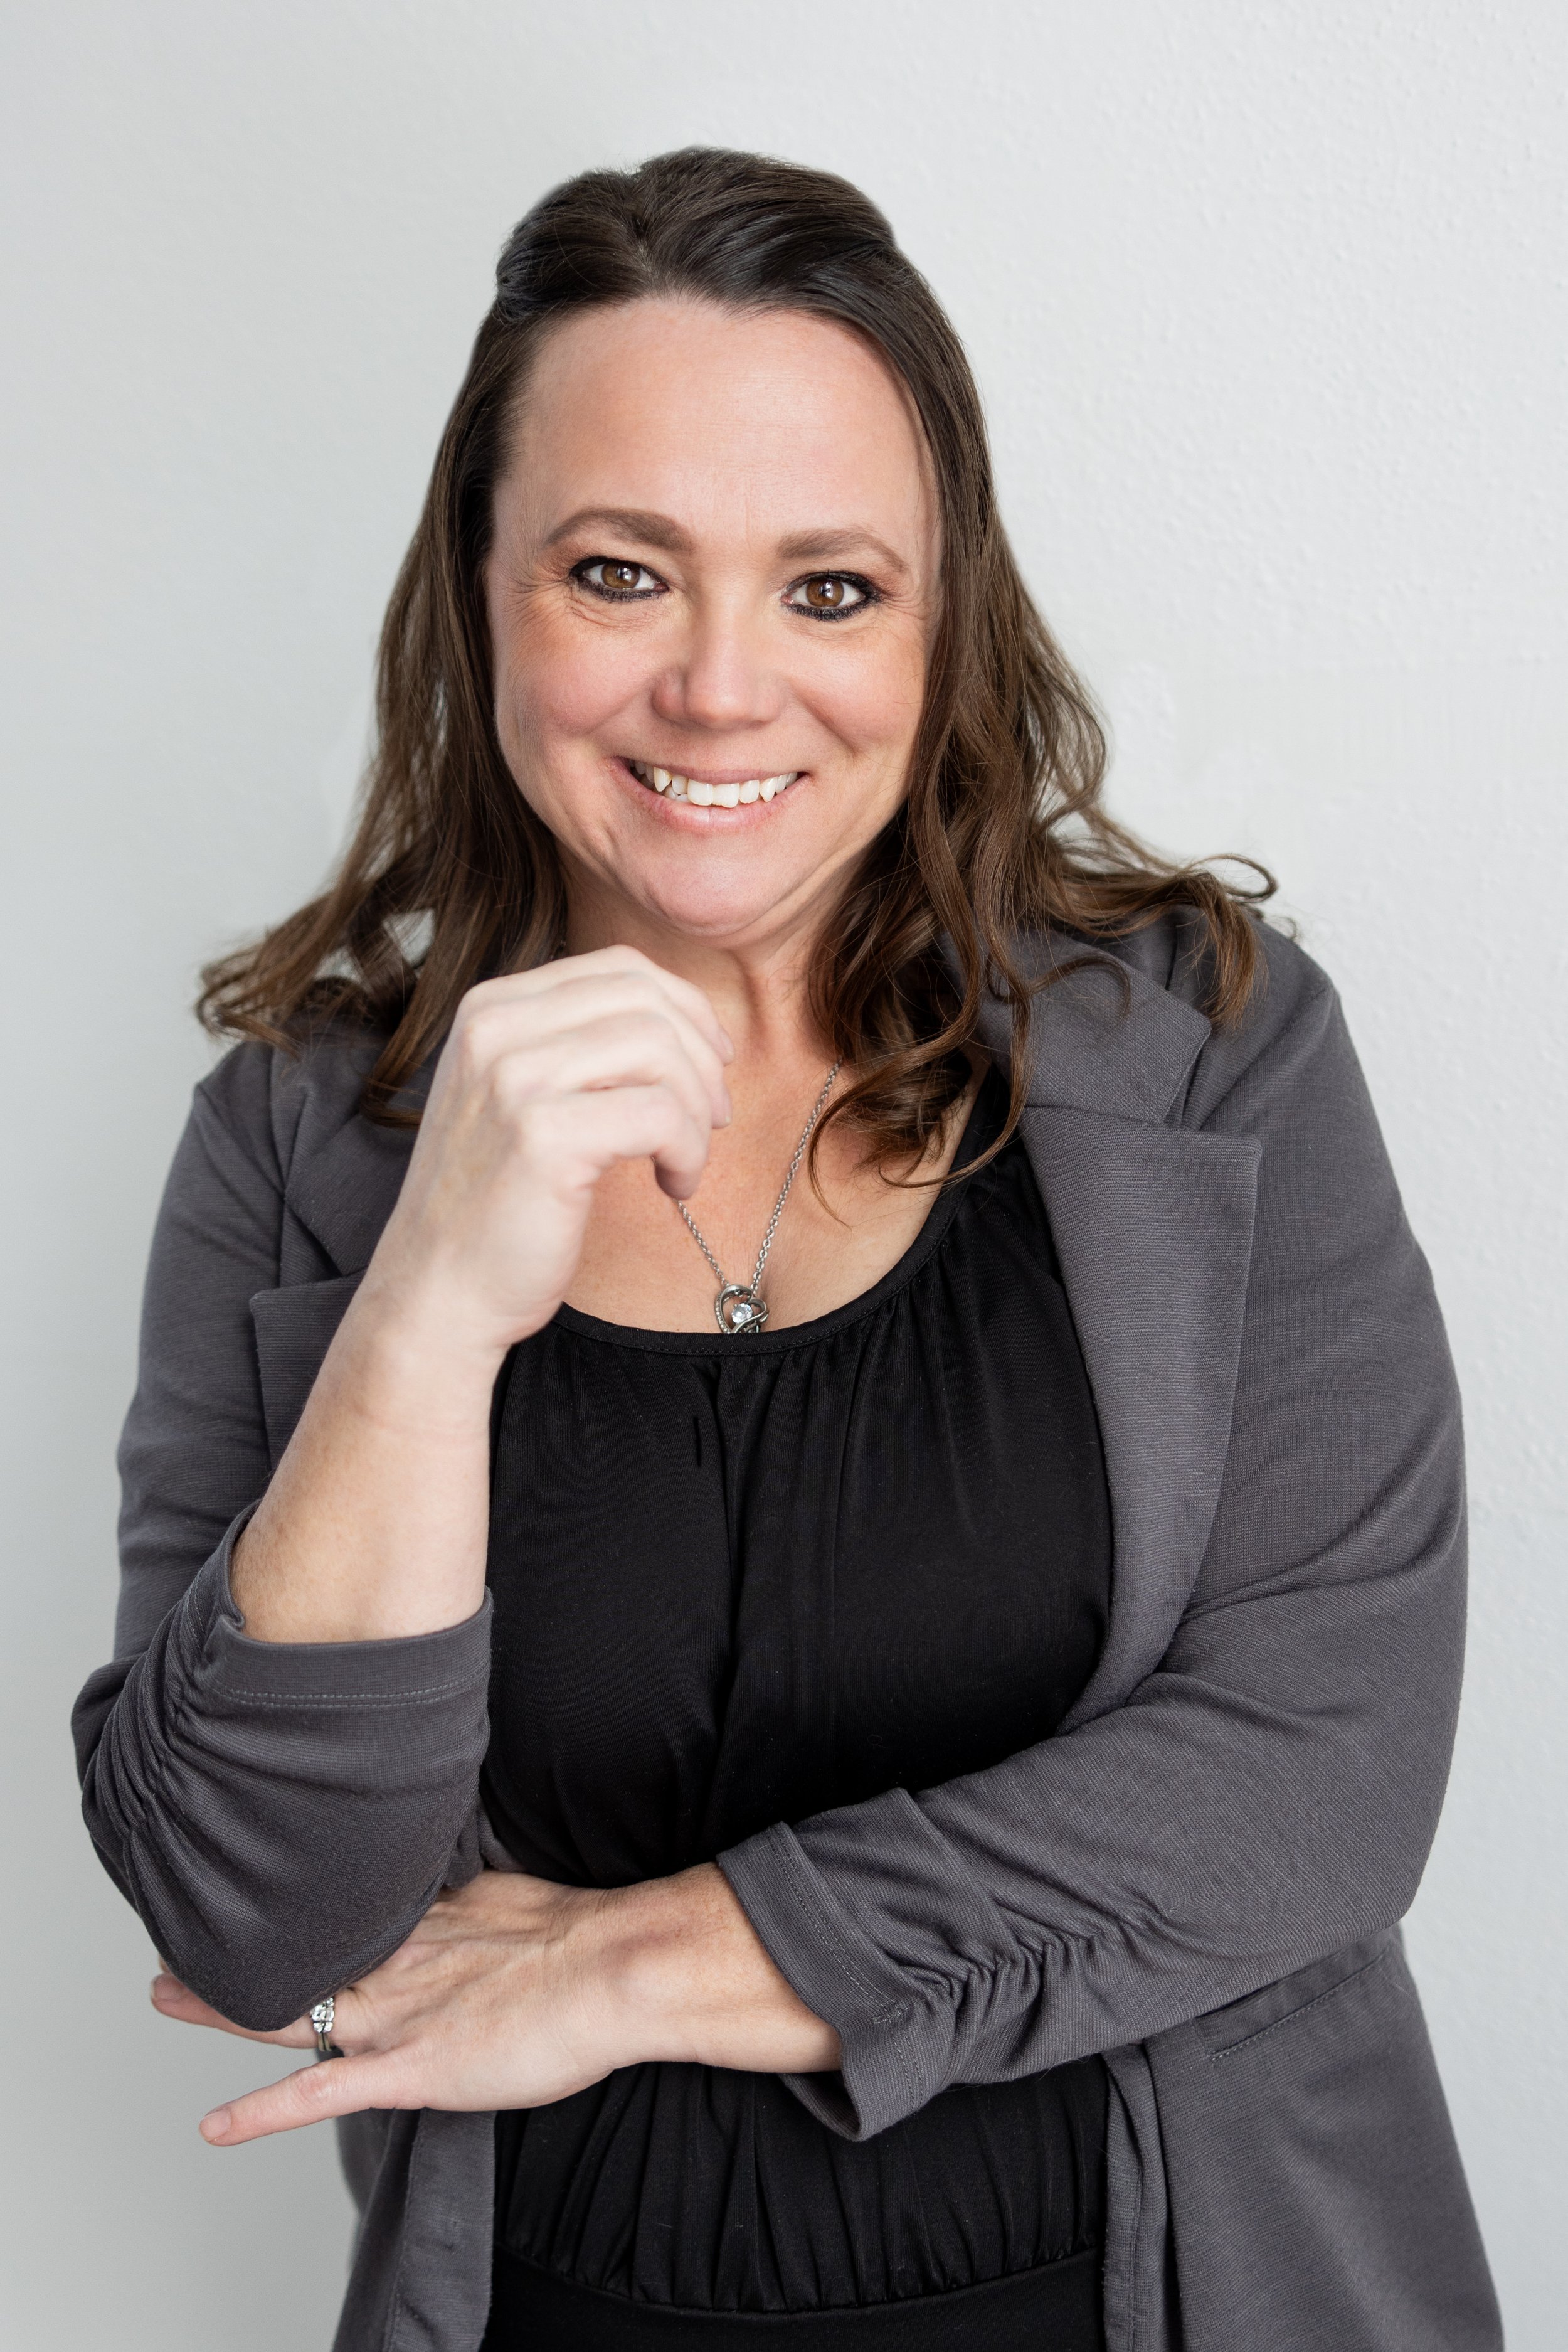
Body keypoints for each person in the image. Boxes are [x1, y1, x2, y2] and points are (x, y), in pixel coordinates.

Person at [73, 148, 1500, 2352]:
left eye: (829, 589)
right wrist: (433, 1295)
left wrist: (630, 1962)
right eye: (620, 571)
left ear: (942, 626)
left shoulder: (1208, 1050)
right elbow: (261, 1914)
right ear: (479, 592)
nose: (724, 691)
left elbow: (1316, 1780)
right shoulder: (301, 1141)